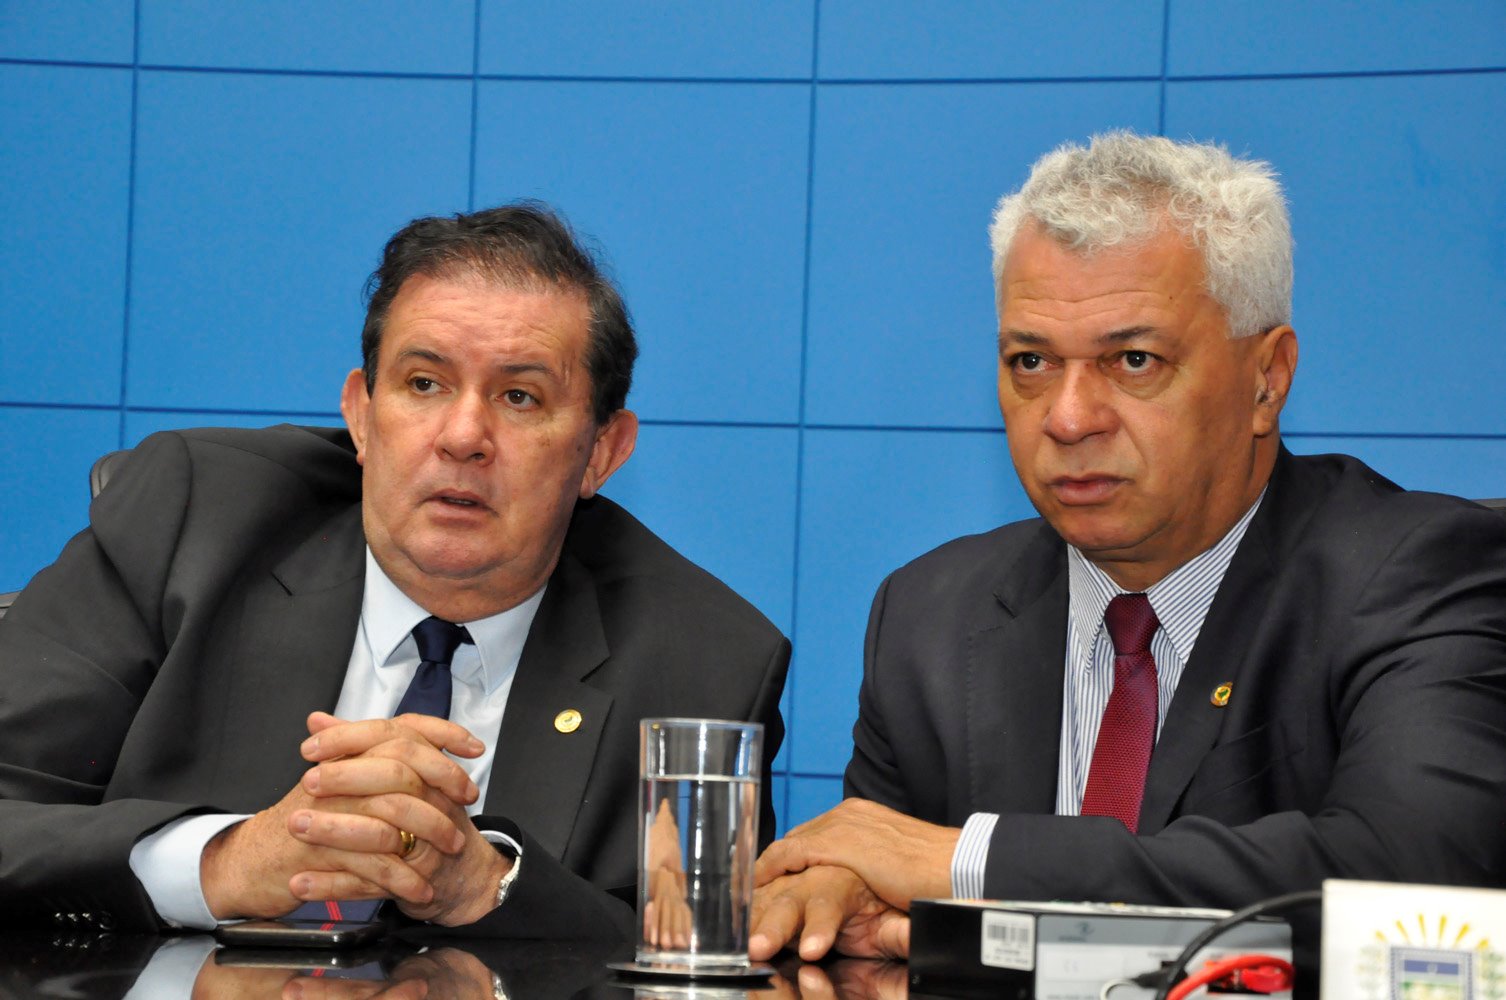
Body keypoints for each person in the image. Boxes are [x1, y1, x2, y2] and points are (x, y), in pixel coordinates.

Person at [749, 132, 1506, 967]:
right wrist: (831, 894)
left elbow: (1414, 884)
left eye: (1134, 360)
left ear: (1267, 378)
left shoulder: (1420, 575)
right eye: (1031, 361)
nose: (1069, 418)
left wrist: (974, 860)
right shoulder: (930, 618)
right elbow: (876, 878)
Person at [0, 203, 789, 939]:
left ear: (602, 453)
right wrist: (226, 861)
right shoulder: (191, 524)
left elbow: (700, 951)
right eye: (424, 384)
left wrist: (492, 888)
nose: (463, 436)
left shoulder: (702, 665)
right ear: (360, 415)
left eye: (520, 397)